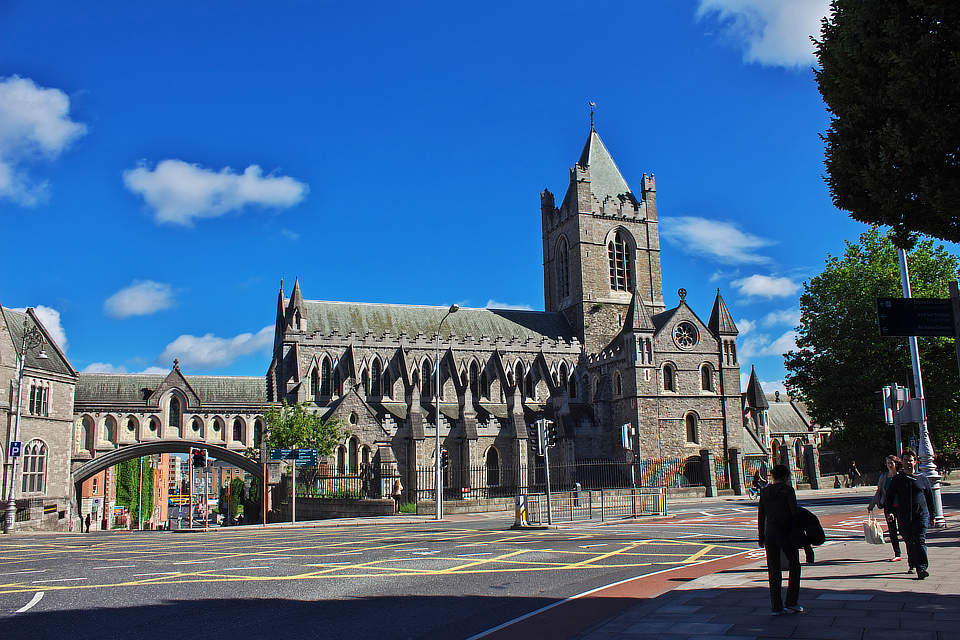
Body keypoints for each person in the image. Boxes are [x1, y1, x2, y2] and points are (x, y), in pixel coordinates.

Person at [758, 464, 803, 615]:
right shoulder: (788, 491)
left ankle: (776, 607)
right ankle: (791, 602)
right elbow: (794, 514)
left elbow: (761, 516)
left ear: (773, 476)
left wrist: (761, 536)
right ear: (786, 476)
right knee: (795, 566)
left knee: (774, 571)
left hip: (770, 534)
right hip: (786, 533)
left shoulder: (765, 491)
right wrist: (799, 536)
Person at [884, 448, 934, 579]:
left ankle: (921, 568)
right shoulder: (898, 479)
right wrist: (890, 512)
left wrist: (932, 515)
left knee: (920, 540)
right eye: (906, 460)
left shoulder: (922, 478)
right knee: (910, 541)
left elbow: (929, 497)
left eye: (911, 460)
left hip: (921, 515)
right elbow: (889, 497)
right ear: (903, 462)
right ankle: (912, 563)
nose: (908, 463)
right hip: (904, 516)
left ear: (915, 462)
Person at [867, 455, 903, 562]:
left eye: (891, 463)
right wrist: (871, 505)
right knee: (892, 531)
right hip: (888, 507)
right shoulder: (884, 477)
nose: (889, 465)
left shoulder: (901, 476)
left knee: (903, 529)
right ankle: (897, 553)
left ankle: (911, 551)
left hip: (901, 506)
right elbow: (879, 492)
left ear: (896, 464)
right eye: (888, 463)